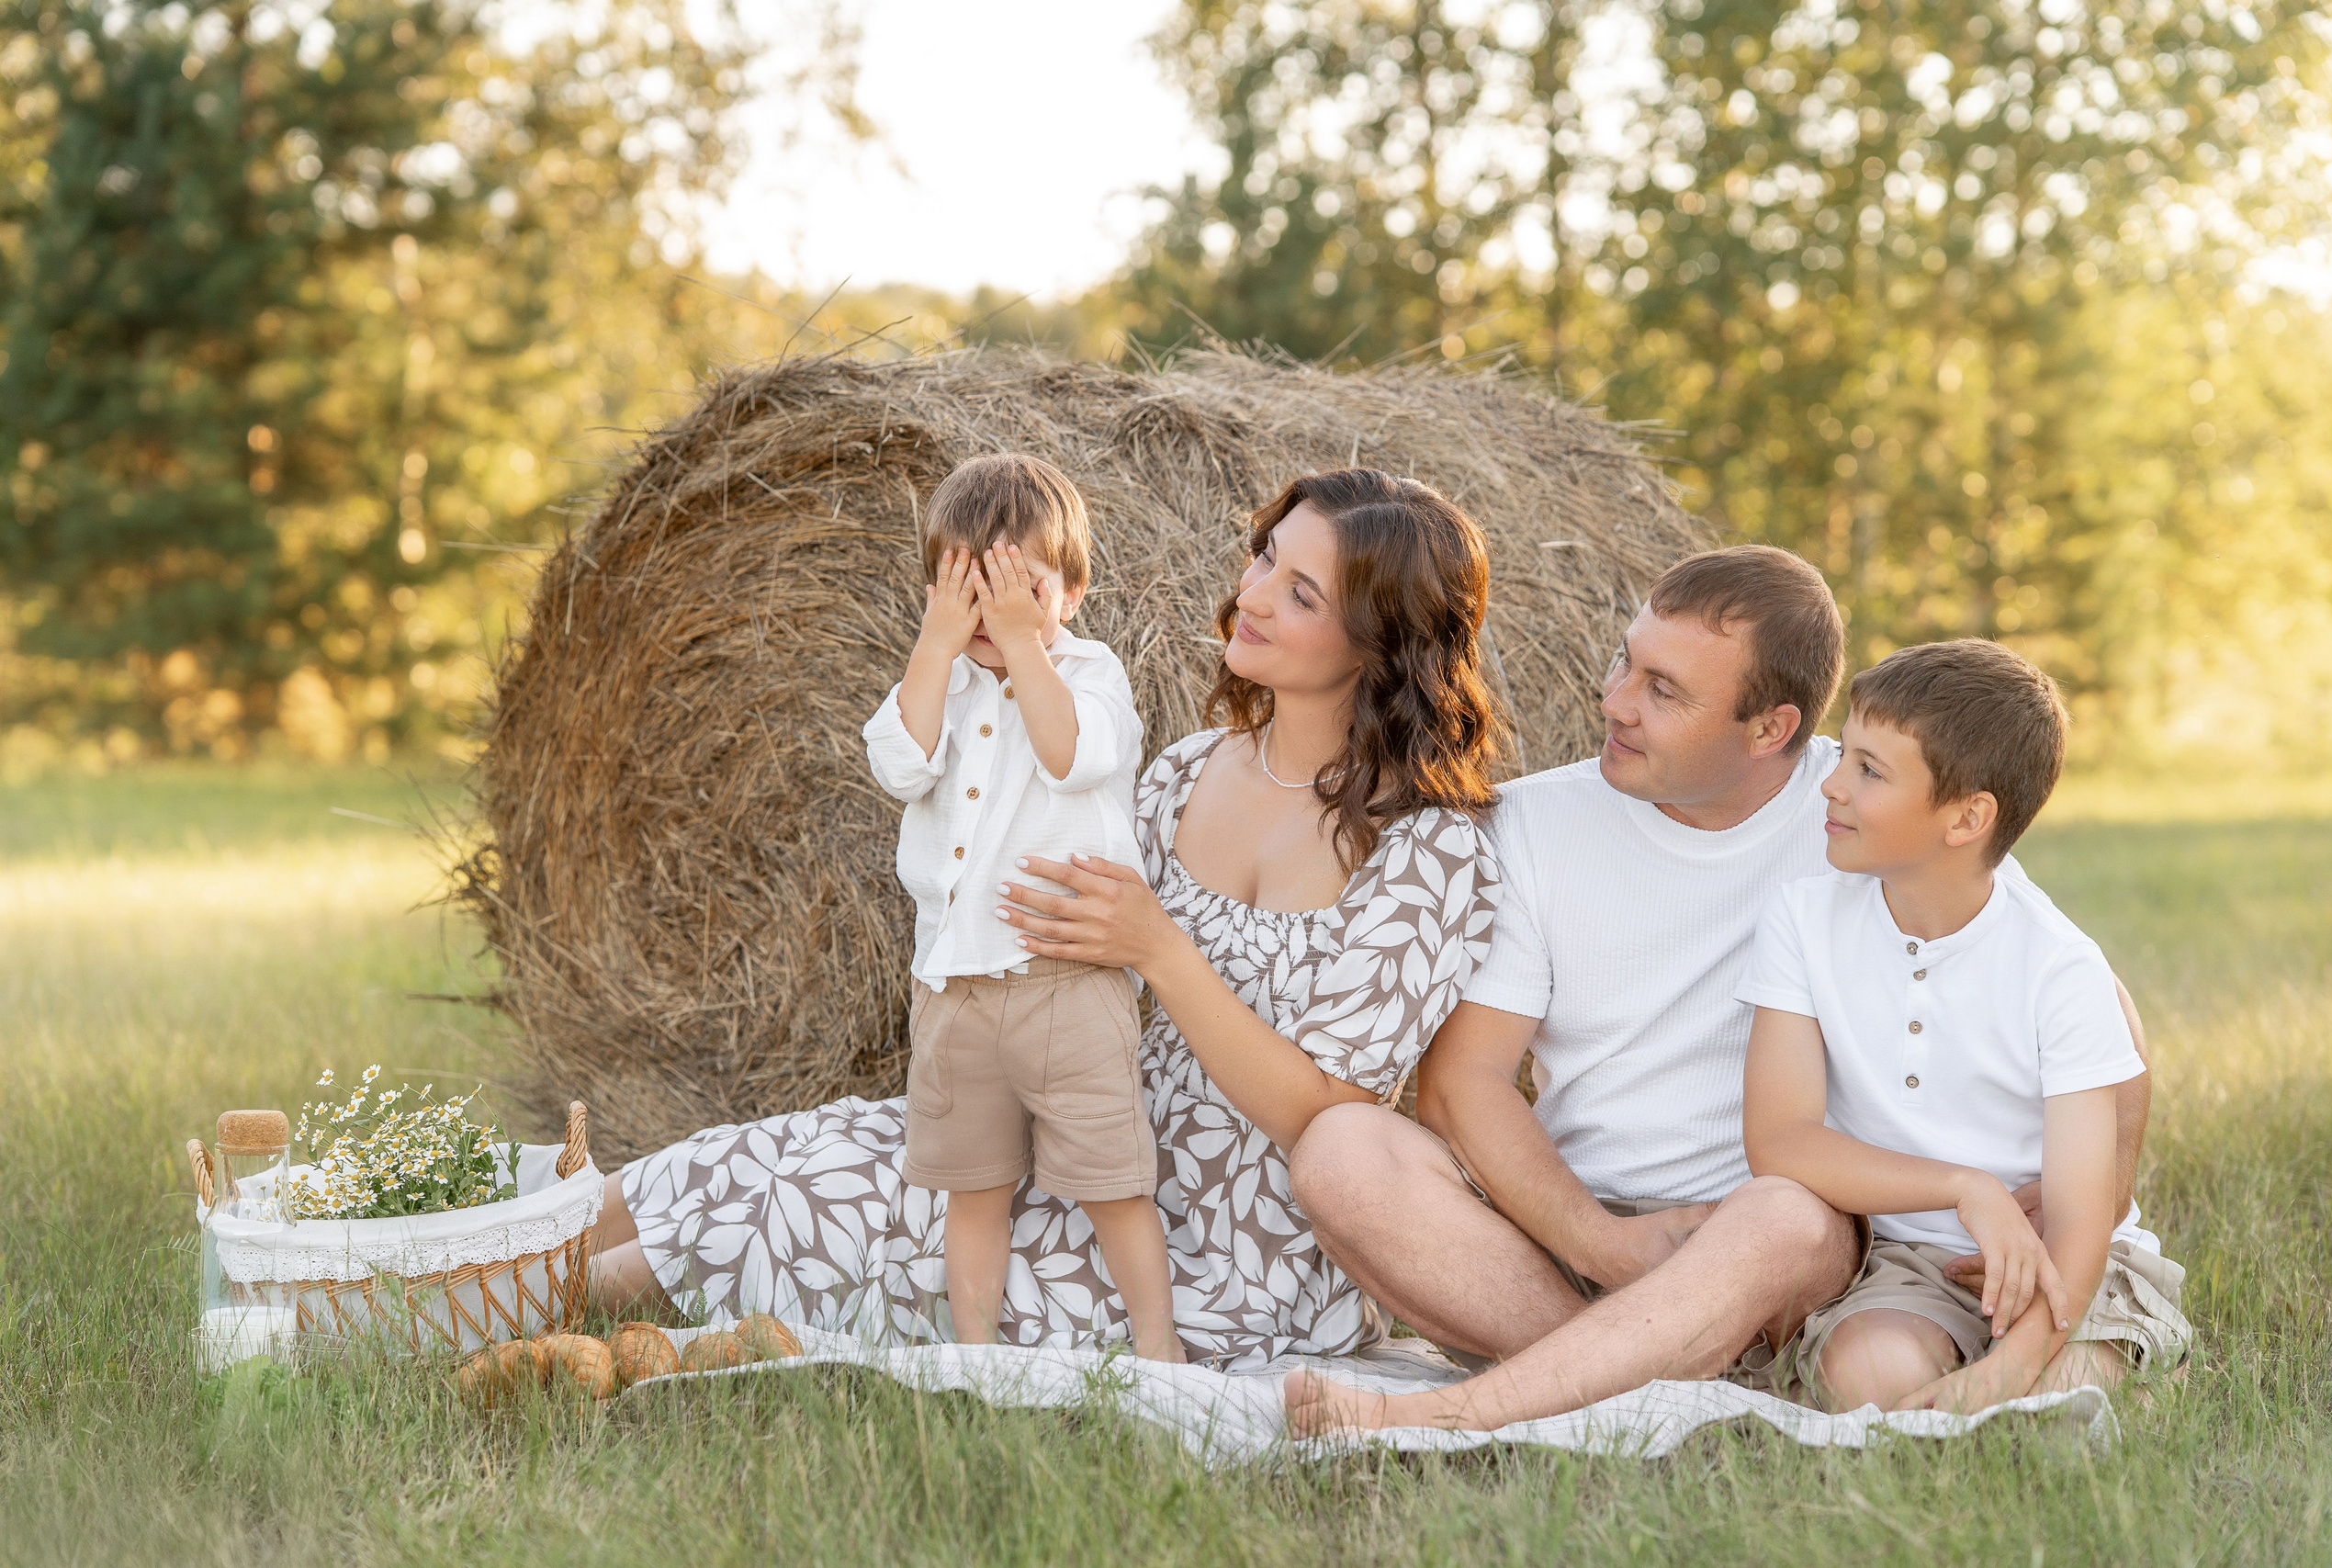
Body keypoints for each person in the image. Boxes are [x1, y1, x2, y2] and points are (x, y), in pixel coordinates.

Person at [582, 468, 1504, 1368]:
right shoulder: (1188, 771)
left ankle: (482, 1320)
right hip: (1084, 1121)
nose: (1252, 594)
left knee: (810, 1199)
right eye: (1263, 557)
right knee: (762, 1154)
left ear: (1379, 645)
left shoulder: (1429, 852)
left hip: (1232, 1251)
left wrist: (1158, 948)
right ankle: (469, 1264)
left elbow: (1329, 1124)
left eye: (1299, 592)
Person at [1284, 546, 2152, 1434]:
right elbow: (1460, 1084)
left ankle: (1484, 1405)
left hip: (1777, 1238)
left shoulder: (1860, 811)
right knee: (1342, 1150)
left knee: (1781, 1214)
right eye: (1628, 660)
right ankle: (1651, 1380)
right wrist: (1599, 1240)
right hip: (1566, 1234)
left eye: (1665, 690)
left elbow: (2091, 1004)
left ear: (1770, 729)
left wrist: (2088, 1192)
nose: (1616, 700)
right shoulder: (1533, 824)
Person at [1740, 639, 2191, 1412]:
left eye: (1869, 771)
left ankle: (2120, 1368)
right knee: (1870, 1377)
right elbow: (1779, 1141)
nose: (1831, 786)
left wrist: (2004, 1372)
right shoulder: (1801, 919)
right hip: (1911, 1263)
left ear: (1968, 817)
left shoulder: (2059, 967)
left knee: (2056, 1393)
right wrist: (1963, 1189)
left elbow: (2083, 1219)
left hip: (2066, 1265)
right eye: (1844, 756)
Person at [859, 454, 1176, 1361]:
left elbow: (1072, 756)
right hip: (954, 987)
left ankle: (1158, 1347)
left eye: (1020, 588)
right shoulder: (943, 684)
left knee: (1113, 1180)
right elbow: (898, 765)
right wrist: (935, 645)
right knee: (973, 1188)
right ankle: (976, 1354)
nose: (994, 612)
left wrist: (1025, 643)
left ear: (1070, 593)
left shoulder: (1091, 674)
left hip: (1066, 983)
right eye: (970, 586)